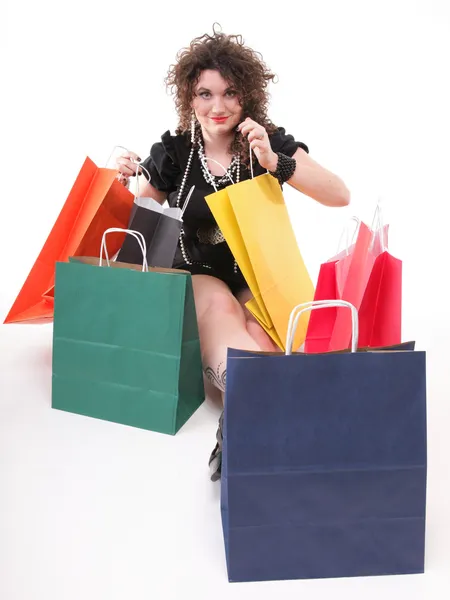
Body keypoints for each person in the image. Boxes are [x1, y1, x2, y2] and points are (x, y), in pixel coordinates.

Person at [115, 26, 350, 480]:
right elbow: (135, 234)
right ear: (189, 97)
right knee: (219, 306)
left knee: (269, 340)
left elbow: (339, 194)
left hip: (255, 275)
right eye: (204, 94)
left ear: (248, 98)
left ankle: (255, 412)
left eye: (229, 93)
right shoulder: (174, 152)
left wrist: (275, 164)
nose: (217, 107)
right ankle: (261, 404)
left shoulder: (266, 142)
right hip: (194, 271)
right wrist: (122, 182)